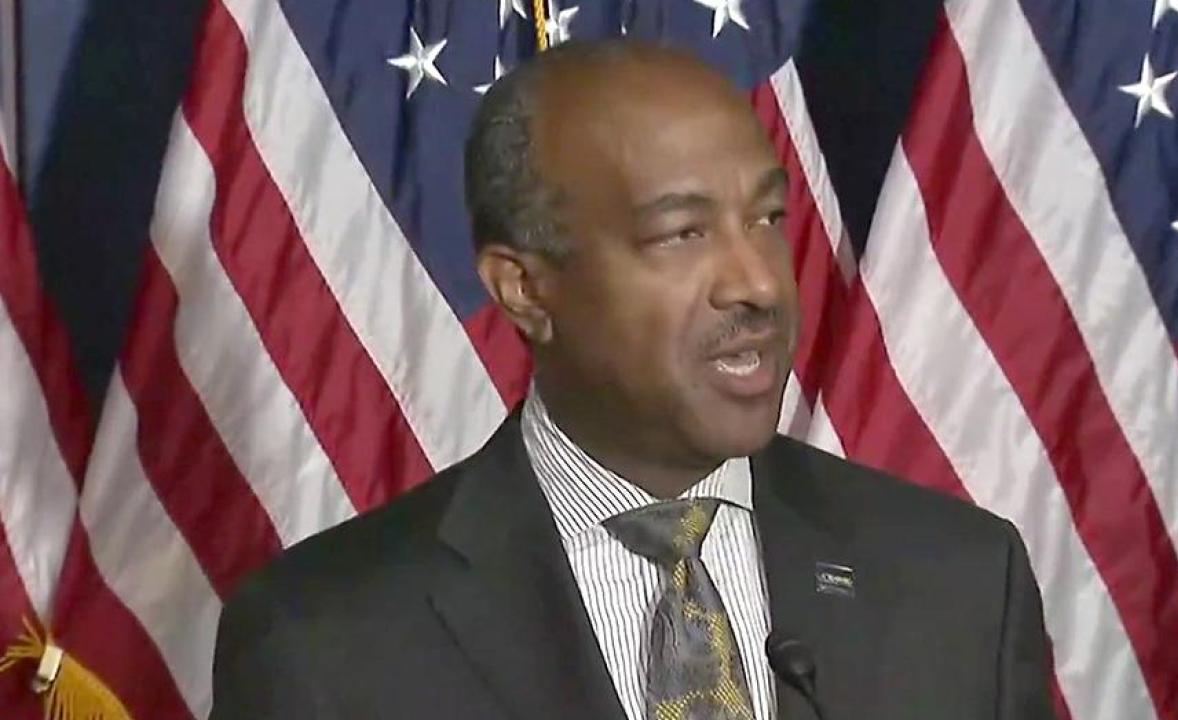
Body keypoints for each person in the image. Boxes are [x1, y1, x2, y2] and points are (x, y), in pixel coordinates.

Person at [210, 40, 1055, 720]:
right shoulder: (324, 647)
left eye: (766, 219)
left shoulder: (964, 586)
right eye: (681, 235)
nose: (758, 282)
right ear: (527, 288)